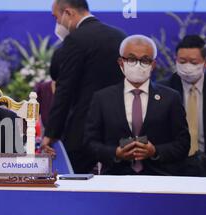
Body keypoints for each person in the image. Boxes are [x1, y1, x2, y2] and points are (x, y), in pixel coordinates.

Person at [84, 35, 190, 175]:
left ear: (153, 65)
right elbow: (89, 143)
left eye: (145, 60)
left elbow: (183, 144)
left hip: (159, 178)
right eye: (132, 59)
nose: (138, 65)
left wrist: (155, 151)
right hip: (115, 179)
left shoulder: (171, 98)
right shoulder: (102, 98)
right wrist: (115, 153)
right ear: (121, 62)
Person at [41, 0, 126, 173]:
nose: (57, 23)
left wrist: (50, 133)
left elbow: (65, 89)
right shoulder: (120, 36)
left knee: (74, 181)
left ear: (69, 13)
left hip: (84, 127)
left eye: (56, 17)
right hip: (119, 126)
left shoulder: (75, 39)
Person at [160, 35, 206, 176]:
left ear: (204, 62)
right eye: (182, 61)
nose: (187, 67)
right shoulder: (162, 89)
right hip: (173, 164)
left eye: (193, 62)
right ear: (176, 60)